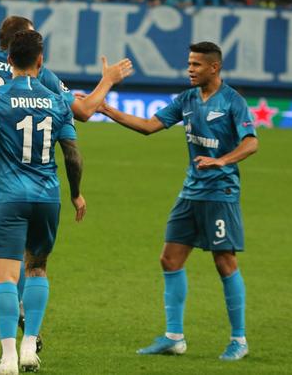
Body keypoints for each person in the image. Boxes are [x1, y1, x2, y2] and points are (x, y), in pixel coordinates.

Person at [0, 15, 132, 360]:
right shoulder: (40, 75)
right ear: (27, 45)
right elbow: (84, 111)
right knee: (26, 258)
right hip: (27, 174)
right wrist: (107, 80)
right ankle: (25, 318)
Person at [98, 41, 258, 360]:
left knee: (224, 262)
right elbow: (149, 126)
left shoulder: (232, 101)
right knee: (169, 259)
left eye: (196, 64)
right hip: (190, 192)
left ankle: (239, 340)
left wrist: (221, 161)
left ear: (214, 67)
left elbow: (251, 143)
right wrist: (107, 110)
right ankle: (174, 337)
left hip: (220, 193)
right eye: (189, 64)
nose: (190, 69)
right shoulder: (187, 99)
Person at [0, 30, 85, 375]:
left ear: (9, 59)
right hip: (47, 196)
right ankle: (30, 347)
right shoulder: (57, 100)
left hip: (9, 196)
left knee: (7, 277)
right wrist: (75, 193)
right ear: (40, 61)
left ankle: (8, 357)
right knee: (37, 268)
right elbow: (72, 155)